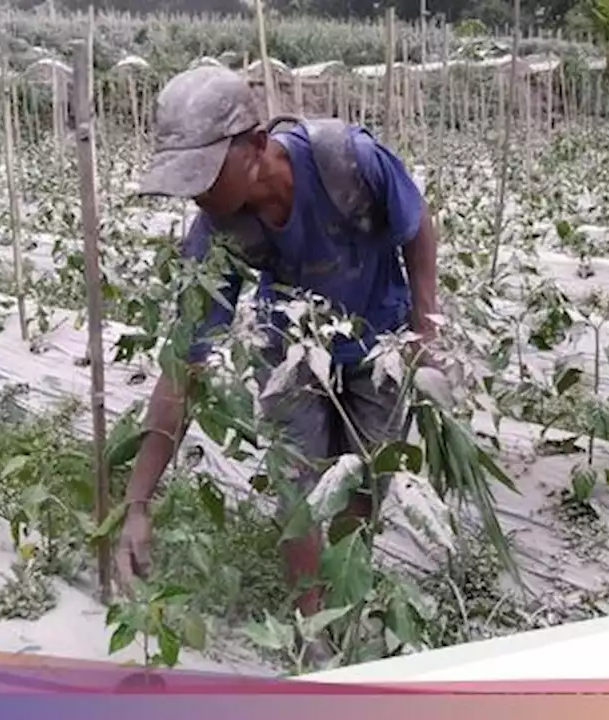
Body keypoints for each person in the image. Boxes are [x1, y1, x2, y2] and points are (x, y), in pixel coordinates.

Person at [115, 65, 440, 654]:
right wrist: (137, 503)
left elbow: (418, 230)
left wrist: (424, 328)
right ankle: (310, 635)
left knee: (365, 484)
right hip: (290, 348)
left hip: (380, 340)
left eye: (205, 174)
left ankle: (346, 595)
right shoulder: (216, 233)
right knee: (299, 492)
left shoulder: (346, 160)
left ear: (257, 145)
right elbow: (182, 367)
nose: (197, 193)